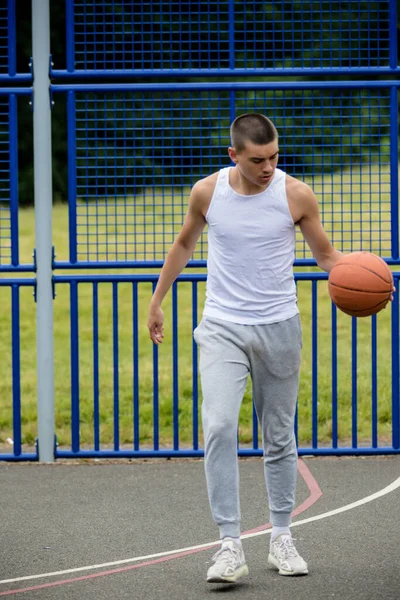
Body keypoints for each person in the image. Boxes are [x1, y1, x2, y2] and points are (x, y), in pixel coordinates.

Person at [147, 113, 343, 583]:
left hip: (279, 326)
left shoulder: (295, 194)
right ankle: (229, 546)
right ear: (233, 155)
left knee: (278, 435)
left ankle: (281, 538)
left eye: (275, 156)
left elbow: (327, 256)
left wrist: (369, 280)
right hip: (222, 327)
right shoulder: (207, 192)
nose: (269, 166)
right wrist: (157, 300)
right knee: (218, 428)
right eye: (258, 159)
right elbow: (183, 243)